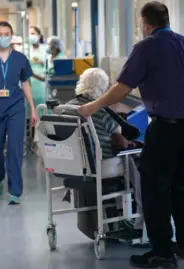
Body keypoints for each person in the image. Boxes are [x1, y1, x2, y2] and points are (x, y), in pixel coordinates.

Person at [78, 2, 184, 268]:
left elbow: (122, 88)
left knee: (154, 190)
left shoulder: (146, 47)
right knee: (182, 187)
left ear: (146, 24)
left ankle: (162, 251)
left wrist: (94, 105)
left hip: (166, 130)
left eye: (140, 24)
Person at [62, 68, 144, 240]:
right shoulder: (99, 111)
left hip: (74, 164)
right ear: (103, 89)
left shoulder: (67, 108)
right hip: (100, 164)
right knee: (135, 158)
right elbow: (118, 135)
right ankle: (138, 217)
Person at [0, 21, 37, 204]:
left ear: (11, 36)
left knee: (15, 149)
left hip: (16, 107)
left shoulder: (20, 59)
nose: (3, 37)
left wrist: (32, 108)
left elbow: (25, 84)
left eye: (6, 34)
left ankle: (15, 191)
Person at [27, 26, 49, 113]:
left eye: (33, 33)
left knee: (41, 106)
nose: (30, 36)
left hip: (41, 81)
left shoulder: (46, 48)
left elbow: (50, 64)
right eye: (29, 34)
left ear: (39, 36)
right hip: (29, 81)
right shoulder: (26, 49)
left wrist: (41, 62)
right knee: (30, 106)